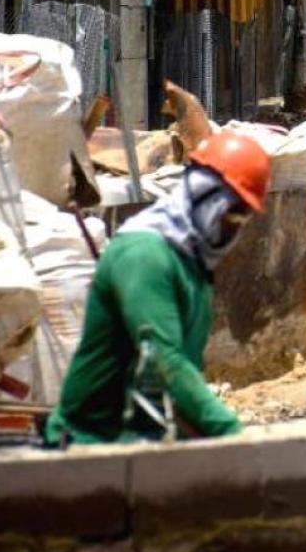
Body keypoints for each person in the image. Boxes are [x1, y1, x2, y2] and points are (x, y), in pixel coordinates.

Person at [44, 129, 272, 445]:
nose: (233, 229)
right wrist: (230, 433)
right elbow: (163, 359)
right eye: (230, 214)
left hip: (144, 445)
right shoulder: (144, 256)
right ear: (202, 194)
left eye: (242, 219)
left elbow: (179, 379)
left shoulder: (193, 267)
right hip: (90, 447)